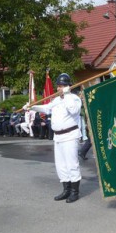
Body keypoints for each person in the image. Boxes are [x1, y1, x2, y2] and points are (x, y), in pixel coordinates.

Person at [31, 73, 82, 203]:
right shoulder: (57, 99)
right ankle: (66, 190)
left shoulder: (74, 99)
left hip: (70, 135)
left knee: (72, 165)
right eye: (58, 86)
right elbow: (47, 109)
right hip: (58, 137)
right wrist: (32, 107)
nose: (59, 88)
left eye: (62, 86)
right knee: (61, 166)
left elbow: (74, 111)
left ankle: (75, 192)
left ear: (68, 86)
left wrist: (66, 96)